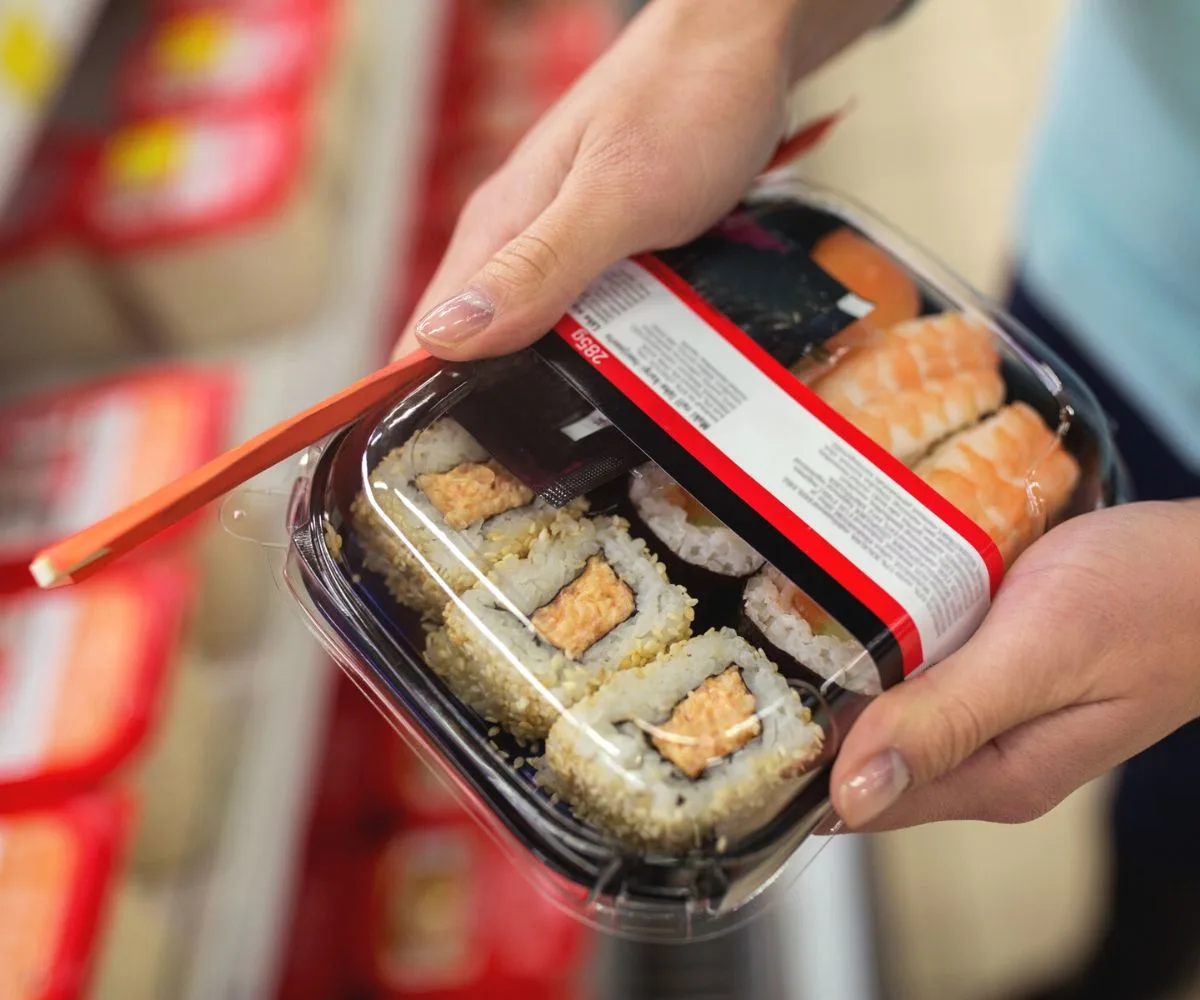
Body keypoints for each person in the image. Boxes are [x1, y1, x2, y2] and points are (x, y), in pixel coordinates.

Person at [393, 2, 1200, 996]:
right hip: (1107, 226)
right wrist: (732, 31)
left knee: (1177, 782)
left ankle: (1140, 950)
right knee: (1019, 429)